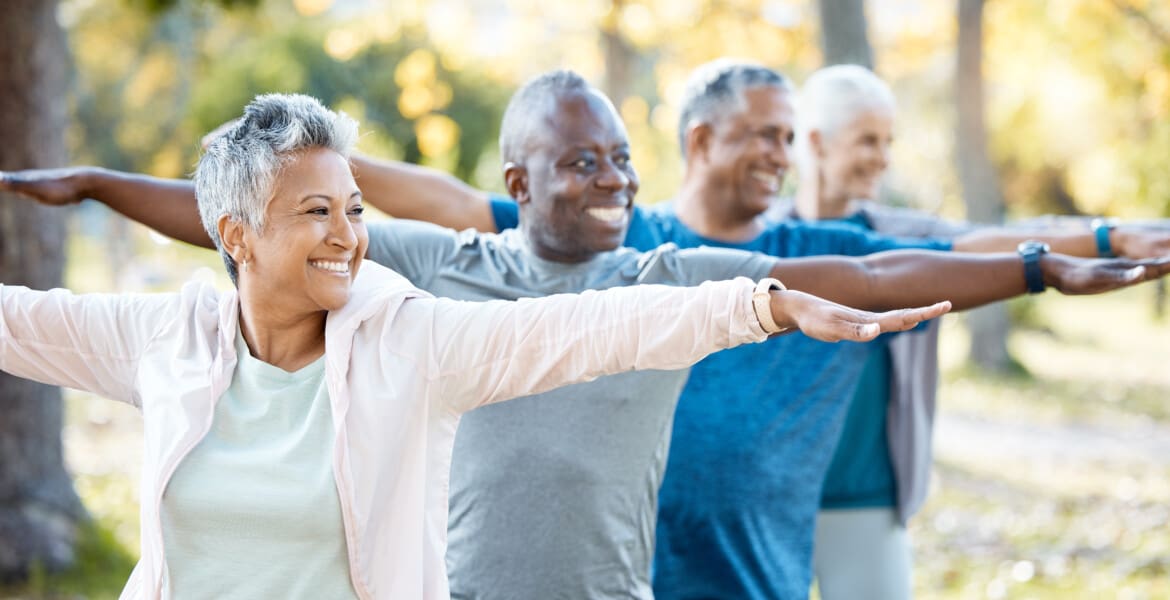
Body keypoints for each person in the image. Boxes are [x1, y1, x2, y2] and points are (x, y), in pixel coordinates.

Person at [3, 72, 1167, 600]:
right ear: (519, 179)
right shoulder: (440, 271)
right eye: (581, 161)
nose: (611, 178)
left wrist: (1028, 266)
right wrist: (102, 183)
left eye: (620, 158)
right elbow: (249, 221)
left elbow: (848, 267)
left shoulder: (645, 275)